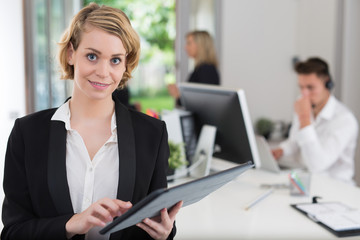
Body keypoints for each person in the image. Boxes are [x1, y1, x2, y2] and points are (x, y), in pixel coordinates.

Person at [1, 3, 182, 240]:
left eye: (115, 60)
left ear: (126, 63)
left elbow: (157, 219)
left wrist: (165, 233)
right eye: (92, 56)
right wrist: (70, 224)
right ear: (70, 53)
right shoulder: (27, 133)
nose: (103, 72)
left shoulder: (152, 134)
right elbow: (13, 233)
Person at [271, 57, 358, 185]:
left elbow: (317, 165)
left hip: (335, 187)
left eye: (310, 87)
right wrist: (282, 150)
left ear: (327, 84)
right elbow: (295, 140)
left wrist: (304, 118)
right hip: (305, 180)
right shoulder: (306, 105)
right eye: (301, 87)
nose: (304, 94)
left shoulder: (345, 120)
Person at [168, 30, 220, 105]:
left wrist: (178, 95)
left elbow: (201, 103)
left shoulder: (206, 70)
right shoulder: (200, 69)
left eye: (189, 43)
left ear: (200, 45)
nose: (185, 47)